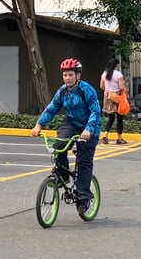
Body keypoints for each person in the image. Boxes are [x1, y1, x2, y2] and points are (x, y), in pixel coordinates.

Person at [30, 58, 103, 216]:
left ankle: (83, 196)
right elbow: (52, 108)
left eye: (70, 75)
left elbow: (96, 112)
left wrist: (88, 130)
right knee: (59, 145)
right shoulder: (62, 91)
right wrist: (38, 125)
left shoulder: (86, 90)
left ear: (78, 75)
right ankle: (63, 174)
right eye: (65, 75)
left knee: (84, 160)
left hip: (90, 127)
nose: (67, 78)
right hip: (71, 124)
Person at [99, 57, 127, 145]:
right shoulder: (118, 74)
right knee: (119, 118)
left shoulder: (104, 73)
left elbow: (101, 86)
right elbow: (121, 87)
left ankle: (105, 136)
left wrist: (109, 90)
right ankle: (119, 139)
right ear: (116, 65)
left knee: (111, 118)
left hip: (108, 96)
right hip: (117, 97)